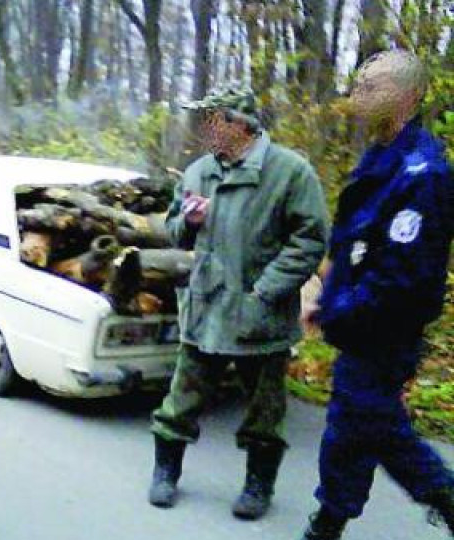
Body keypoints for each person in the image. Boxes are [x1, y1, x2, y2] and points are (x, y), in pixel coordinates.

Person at [148, 86, 330, 520]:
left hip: (260, 315)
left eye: (211, 119)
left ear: (237, 123)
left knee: (264, 413)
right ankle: (165, 472)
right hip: (206, 309)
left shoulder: (290, 172)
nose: (204, 127)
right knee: (179, 402)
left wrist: (265, 291)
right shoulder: (198, 172)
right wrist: (186, 221)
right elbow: (174, 230)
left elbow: (310, 241)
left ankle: (258, 487)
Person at [297, 49, 454, 540]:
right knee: (350, 426)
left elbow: (400, 282)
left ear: (406, 96)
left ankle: (443, 495)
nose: (355, 96)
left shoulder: (423, 175)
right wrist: (322, 288)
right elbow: (349, 241)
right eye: (357, 85)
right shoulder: (378, 157)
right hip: (356, 322)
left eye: (370, 86)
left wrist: (336, 312)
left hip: (383, 332)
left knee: (371, 421)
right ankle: (329, 519)